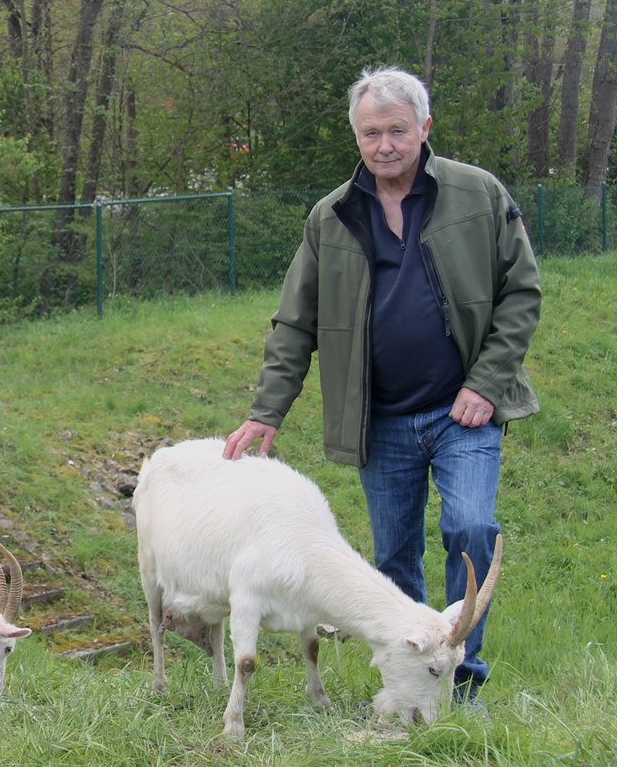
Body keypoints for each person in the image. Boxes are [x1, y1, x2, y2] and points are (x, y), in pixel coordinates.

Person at [223, 66, 540, 710]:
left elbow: (521, 294)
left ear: (424, 128)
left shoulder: (478, 195)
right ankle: (406, 690)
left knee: (472, 526)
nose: (385, 145)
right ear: (357, 137)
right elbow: (295, 321)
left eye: (398, 130)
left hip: (464, 412)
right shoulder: (332, 216)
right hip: (381, 419)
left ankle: (463, 678)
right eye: (372, 133)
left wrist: (485, 383)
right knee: (393, 561)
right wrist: (266, 412)